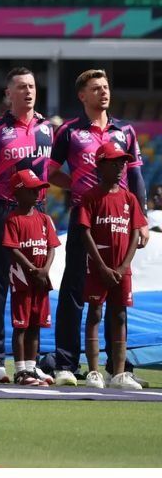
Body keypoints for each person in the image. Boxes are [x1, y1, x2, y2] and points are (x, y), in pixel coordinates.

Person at [48, 69, 145, 386]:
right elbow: (51, 172)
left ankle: (118, 368)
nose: (103, 92)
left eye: (105, 87)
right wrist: (78, 186)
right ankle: (66, 364)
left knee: (117, 294)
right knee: (75, 290)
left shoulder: (125, 130)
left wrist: (141, 219)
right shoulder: (69, 131)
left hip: (119, 222)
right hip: (86, 218)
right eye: (95, 88)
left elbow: (136, 176)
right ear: (82, 95)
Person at [0, 67, 52, 383]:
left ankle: (29, 363)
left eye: (31, 86)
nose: (28, 91)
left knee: (35, 285)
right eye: (21, 86)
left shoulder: (48, 128)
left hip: (37, 213)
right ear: (8, 93)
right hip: (3, 211)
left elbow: (56, 169)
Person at [73, 143, 148, 390]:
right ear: (100, 165)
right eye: (114, 163)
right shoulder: (91, 197)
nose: (120, 168)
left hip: (122, 268)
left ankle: (119, 373)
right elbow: (85, 233)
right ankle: (94, 372)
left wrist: (123, 266)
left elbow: (135, 233)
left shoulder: (129, 198)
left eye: (122, 163)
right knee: (95, 313)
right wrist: (102, 266)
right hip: (98, 267)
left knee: (119, 315)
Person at [2, 169, 59, 386]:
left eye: (39, 190)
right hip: (22, 280)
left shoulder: (44, 219)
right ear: (18, 192)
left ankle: (31, 367)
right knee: (21, 326)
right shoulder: (13, 219)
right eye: (32, 190)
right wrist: (32, 269)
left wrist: (44, 269)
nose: (37, 194)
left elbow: (51, 246)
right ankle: (20, 371)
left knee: (36, 325)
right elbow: (13, 248)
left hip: (41, 280)